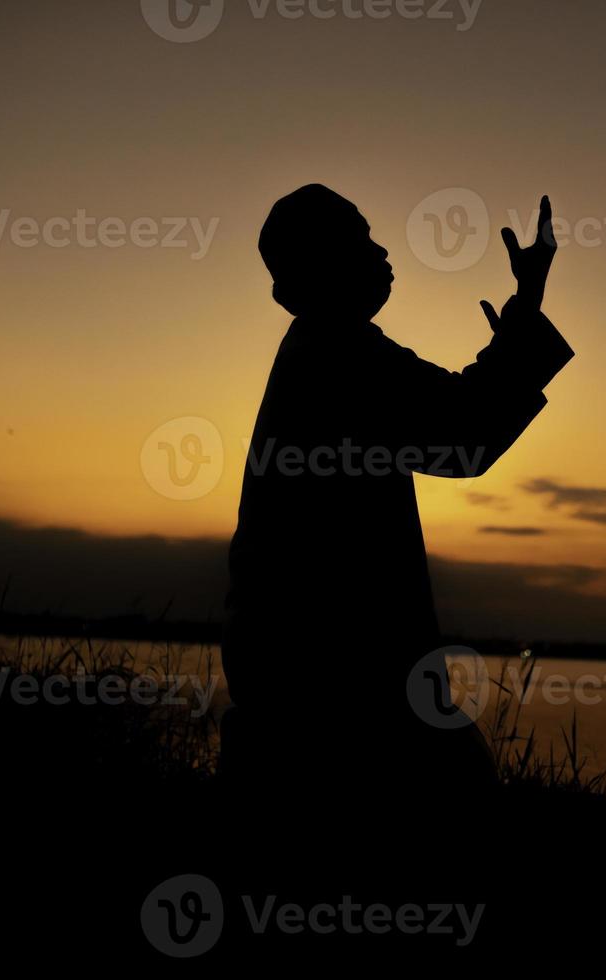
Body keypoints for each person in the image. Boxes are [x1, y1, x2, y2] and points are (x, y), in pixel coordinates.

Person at [222, 184, 573, 820]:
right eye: (359, 238)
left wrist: (523, 315)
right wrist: (527, 305)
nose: (382, 249)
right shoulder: (340, 354)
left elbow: (456, 427)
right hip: (339, 693)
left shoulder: (325, 349)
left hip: (309, 683)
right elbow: (464, 434)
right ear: (324, 263)